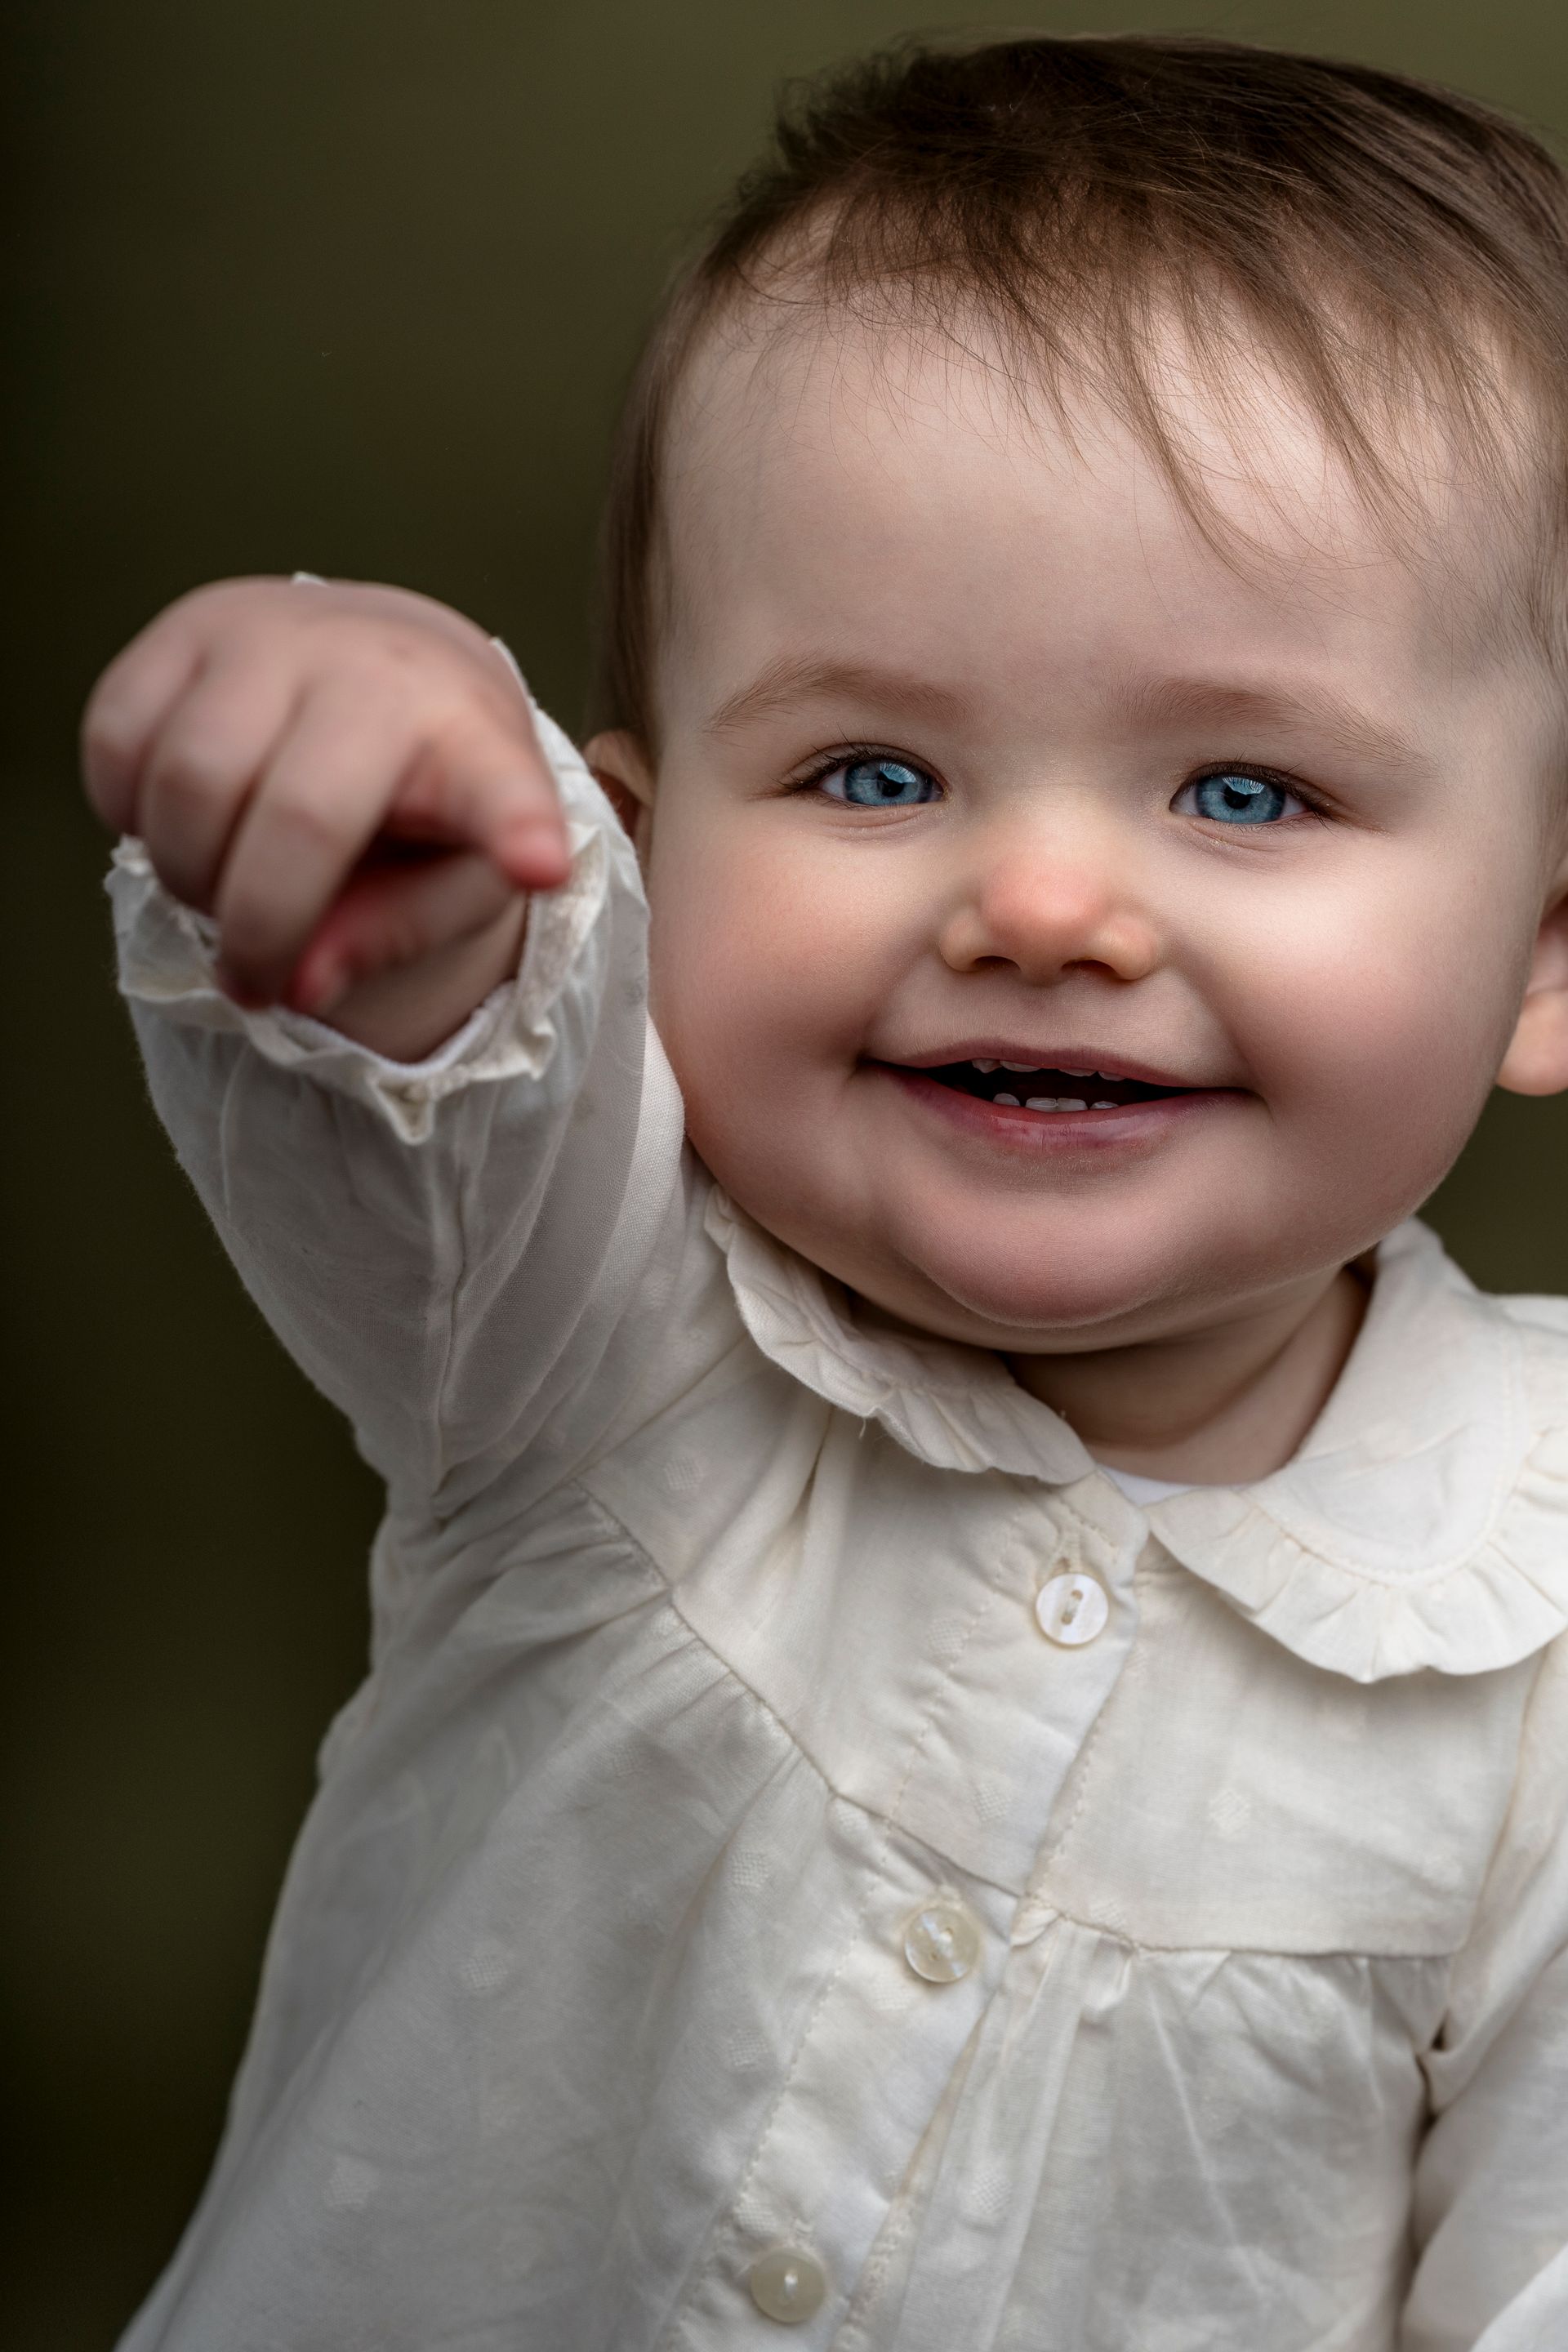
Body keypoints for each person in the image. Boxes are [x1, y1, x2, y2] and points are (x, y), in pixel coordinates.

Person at [79, 32, 1568, 2352]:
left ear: (1546, 951)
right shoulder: (584, 1332)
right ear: (640, 856)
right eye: (874, 772)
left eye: (1247, 793)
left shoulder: (1536, 1620)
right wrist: (412, 844)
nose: (1043, 906)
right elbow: (448, 1080)